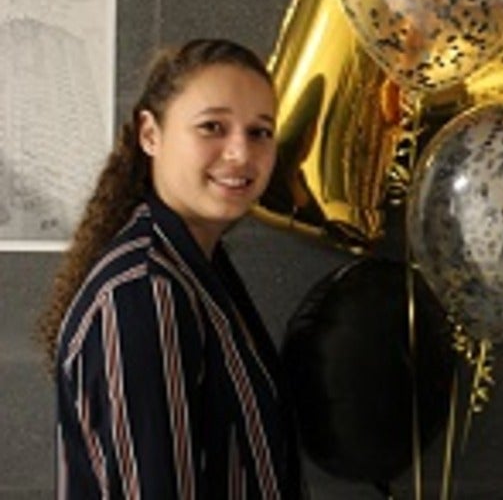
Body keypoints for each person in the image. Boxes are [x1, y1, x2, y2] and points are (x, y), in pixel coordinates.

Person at [37, 39, 305, 499]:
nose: (241, 153)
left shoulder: (197, 271)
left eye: (260, 131)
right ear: (150, 134)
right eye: (212, 127)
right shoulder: (145, 291)